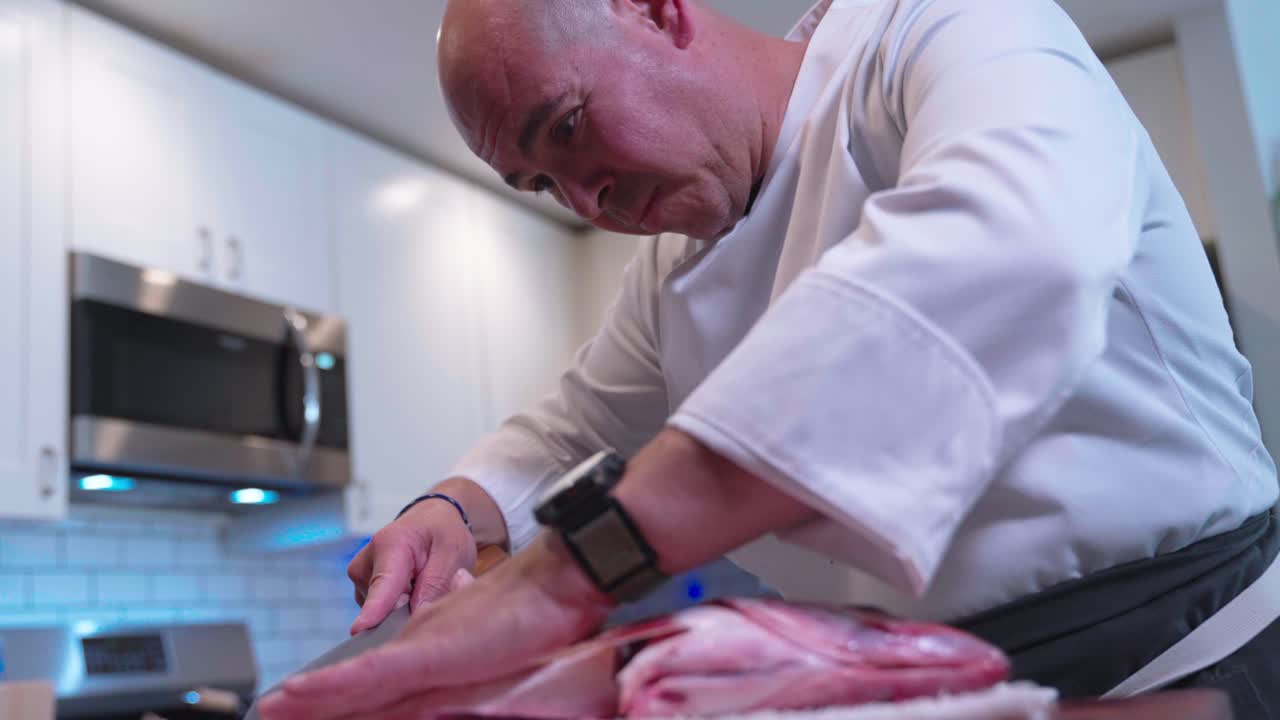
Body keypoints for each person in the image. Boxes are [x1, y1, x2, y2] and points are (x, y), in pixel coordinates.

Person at [259, 0, 1280, 717]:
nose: (582, 200)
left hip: (1200, 663)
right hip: (939, 693)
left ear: (655, 9)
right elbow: (570, 424)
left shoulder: (941, 28)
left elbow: (1015, 245)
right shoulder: (670, 273)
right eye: (538, 184)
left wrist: (565, 575)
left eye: (567, 129)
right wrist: (451, 508)